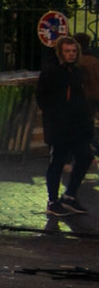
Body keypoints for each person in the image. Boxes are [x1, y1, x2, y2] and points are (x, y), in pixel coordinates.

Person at [38, 35, 93, 216]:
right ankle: (52, 200)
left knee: (85, 156)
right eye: (67, 51)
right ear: (60, 53)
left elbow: (80, 98)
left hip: (76, 125)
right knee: (57, 162)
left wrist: (86, 121)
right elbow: (43, 98)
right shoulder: (52, 72)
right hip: (59, 126)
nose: (71, 54)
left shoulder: (76, 72)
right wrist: (57, 117)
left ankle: (69, 195)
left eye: (73, 51)